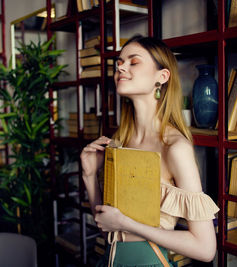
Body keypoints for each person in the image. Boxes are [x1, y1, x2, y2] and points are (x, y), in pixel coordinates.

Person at [80, 35, 219, 266]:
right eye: (119, 63)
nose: (121, 67)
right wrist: (89, 175)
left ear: (162, 77)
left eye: (133, 62)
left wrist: (126, 223)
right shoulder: (119, 141)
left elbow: (205, 249)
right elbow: (109, 230)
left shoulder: (175, 148)